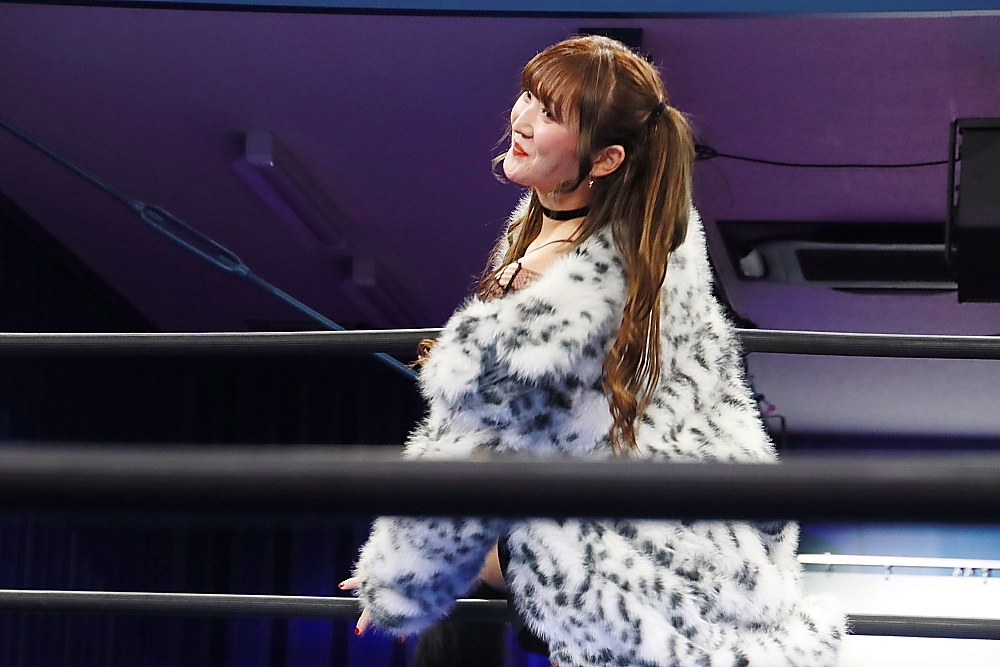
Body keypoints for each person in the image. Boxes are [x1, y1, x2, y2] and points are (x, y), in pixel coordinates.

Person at [340, 35, 844, 667]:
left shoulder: (565, 278)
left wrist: (397, 584)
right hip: (694, 539)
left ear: (605, 160)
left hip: (626, 556)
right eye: (529, 96)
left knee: (473, 546)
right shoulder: (650, 232)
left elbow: (468, 448)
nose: (521, 119)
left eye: (550, 114)